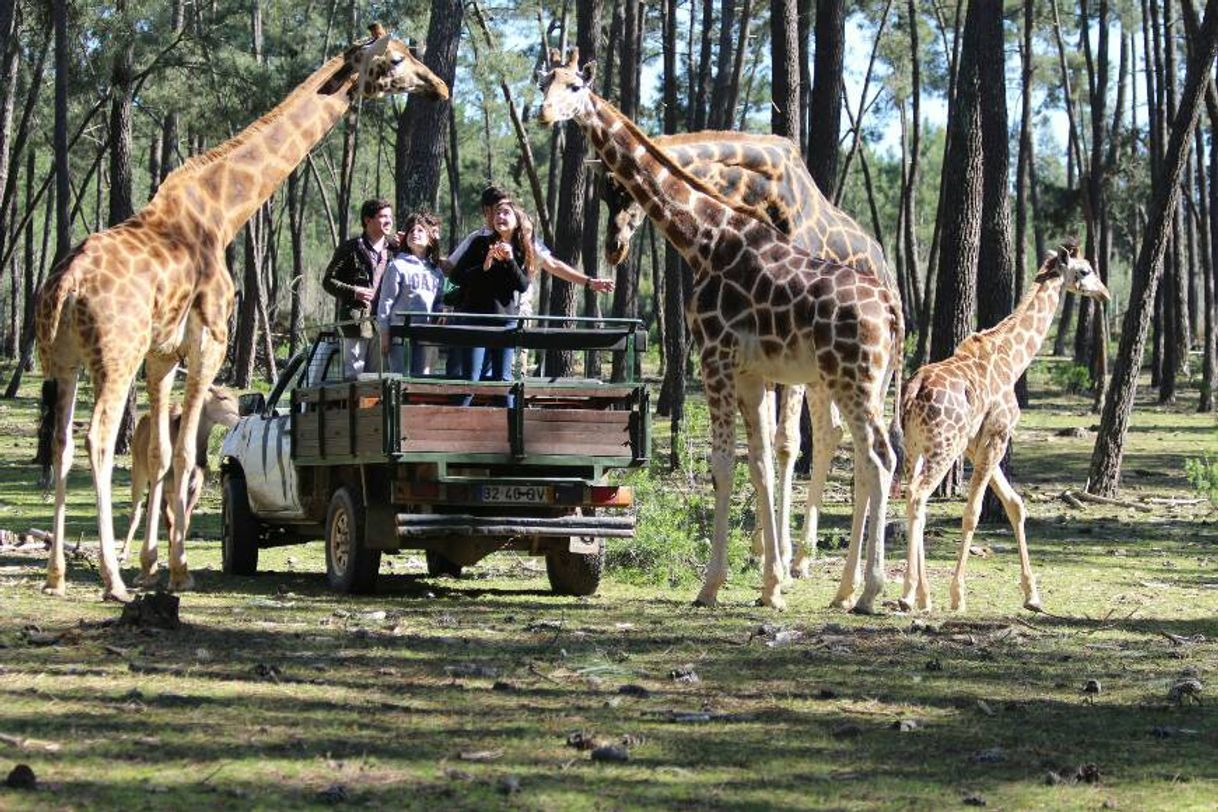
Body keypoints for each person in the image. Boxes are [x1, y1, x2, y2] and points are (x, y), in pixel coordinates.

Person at [444, 185, 614, 375]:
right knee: (469, 373)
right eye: (497, 209)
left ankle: (509, 404)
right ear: (487, 211)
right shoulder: (477, 240)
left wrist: (589, 282)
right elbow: (452, 269)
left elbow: (554, 266)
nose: (500, 215)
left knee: (509, 375)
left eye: (506, 210)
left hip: (514, 318)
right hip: (478, 316)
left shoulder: (525, 243)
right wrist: (426, 252)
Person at [447, 198, 537, 406]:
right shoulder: (480, 243)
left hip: (506, 322)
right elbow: (456, 277)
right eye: (497, 213)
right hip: (475, 319)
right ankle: (456, 428)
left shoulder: (523, 249)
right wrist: (484, 266)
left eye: (506, 213)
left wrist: (510, 260)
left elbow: (522, 285)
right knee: (471, 379)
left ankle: (511, 433)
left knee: (504, 381)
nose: (500, 217)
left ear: (517, 220)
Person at [322, 198, 396, 378]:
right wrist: (354, 291)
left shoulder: (394, 250)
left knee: (378, 378)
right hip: (356, 323)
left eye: (390, 216)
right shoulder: (350, 248)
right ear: (367, 220)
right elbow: (328, 281)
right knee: (353, 376)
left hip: (384, 323)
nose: (388, 221)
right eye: (382, 216)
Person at [376, 210, 445, 375]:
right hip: (399, 335)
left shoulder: (436, 271)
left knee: (421, 381)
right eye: (411, 231)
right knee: (400, 381)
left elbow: (439, 301)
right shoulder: (397, 265)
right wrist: (384, 334)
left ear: (430, 240)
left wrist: (442, 310)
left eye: (420, 230)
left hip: (425, 335)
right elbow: (385, 303)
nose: (415, 233)